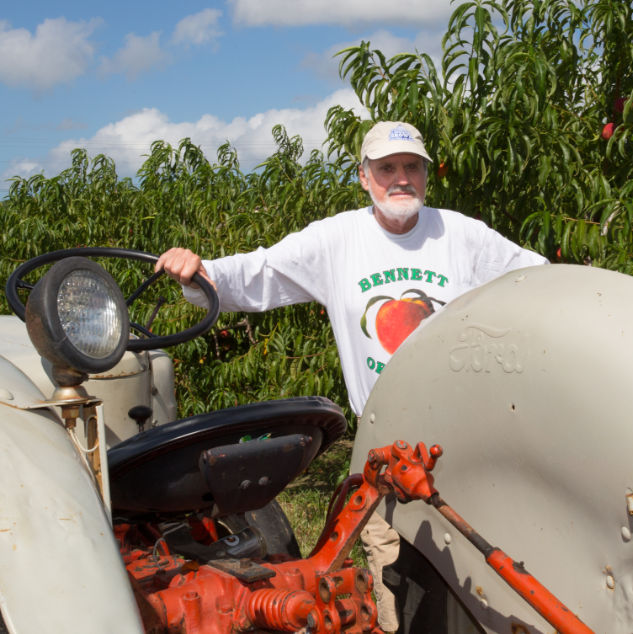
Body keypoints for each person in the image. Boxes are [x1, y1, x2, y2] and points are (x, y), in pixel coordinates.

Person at [156, 120, 548, 632]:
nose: (401, 178)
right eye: (387, 168)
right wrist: (200, 275)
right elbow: (262, 274)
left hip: (468, 432)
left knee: (486, 567)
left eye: (412, 167)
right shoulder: (338, 239)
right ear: (364, 177)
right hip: (389, 438)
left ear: (427, 175)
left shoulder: (461, 235)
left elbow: (534, 279)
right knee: (396, 572)